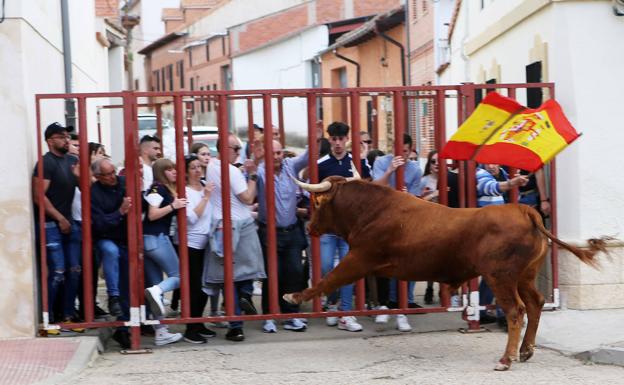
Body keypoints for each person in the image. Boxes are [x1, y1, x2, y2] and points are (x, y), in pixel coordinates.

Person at [203, 133, 266, 342]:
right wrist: (254, 175)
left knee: (228, 278)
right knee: (247, 271)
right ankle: (245, 296)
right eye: (235, 149)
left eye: (240, 149)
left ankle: (235, 324)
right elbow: (247, 197)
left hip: (220, 226)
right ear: (223, 149)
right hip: (241, 224)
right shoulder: (230, 170)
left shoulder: (211, 166)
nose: (239, 153)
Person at [317, 121, 371, 332]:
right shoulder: (321, 164)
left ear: (347, 140)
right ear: (329, 140)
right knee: (325, 266)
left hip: (350, 229)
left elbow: (368, 186)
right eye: (334, 139)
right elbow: (313, 192)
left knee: (348, 269)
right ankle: (333, 303)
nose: (338, 143)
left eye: (341, 139)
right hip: (330, 228)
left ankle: (345, 313)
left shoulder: (356, 161)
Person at [32, 122, 83, 333]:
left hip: (69, 222)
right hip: (50, 223)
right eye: (62, 136)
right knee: (58, 271)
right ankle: (49, 318)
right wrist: (60, 218)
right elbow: (38, 196)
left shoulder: (72, 161)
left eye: (67, 136)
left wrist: (79, 175)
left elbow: (86, 188)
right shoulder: (45, 163)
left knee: (74, 270)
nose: (67, 140)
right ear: (50, 140)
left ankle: (68, 315)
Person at [257, 140, 311, 333]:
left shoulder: (291, 166)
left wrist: (316, 137)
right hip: (269, 232)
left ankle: (291, 315)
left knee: (295, 273)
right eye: (273, 153)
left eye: (280, 152)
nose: (277, 156)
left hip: (291, 230)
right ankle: (269, 316)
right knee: (272, 275)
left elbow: (308, 156)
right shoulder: (262, 172)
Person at [371, 133, 422, 332]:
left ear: (411, 150)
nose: (404, 155)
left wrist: (406, 195)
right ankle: (383, 305)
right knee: (382, 262)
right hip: (382, 220)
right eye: (400, 151)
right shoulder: (381, 161)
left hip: (404, 222)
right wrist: (391, 170)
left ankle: (401, 309)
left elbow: (417, 199)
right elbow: (375, 187)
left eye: (407, 152)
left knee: (405, 264)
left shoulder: (415, 169)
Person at [170, 155, 218, 343]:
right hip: (190, 244)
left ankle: (198, 323)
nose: (198, 170)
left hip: (207, 242)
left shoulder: (205, 184)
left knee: (204, 287)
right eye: (193, 168)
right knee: (194, 287)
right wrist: (206, 197)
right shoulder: (185, 191)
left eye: (199, 166)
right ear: (185, 171)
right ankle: (191, 328)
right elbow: (191, 218)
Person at [476, 164, 528, 329]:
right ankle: (503, 314)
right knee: (502, 272)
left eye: (493, 162)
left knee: (493, 273)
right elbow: (489, 188)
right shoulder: (479, 173)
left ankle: (481, 311)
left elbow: (515, 198)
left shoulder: (506, 173)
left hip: (504, 230)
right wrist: (512, 183)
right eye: (487, 162)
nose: (490, 166)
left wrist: (514, 183)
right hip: (490, 232)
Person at [142, 158, 186, 346]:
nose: (174, 172)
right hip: (156, 238)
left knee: (154, 286)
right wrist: (173, 206)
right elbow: (152, 214)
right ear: (161, 172)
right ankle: (158, 290)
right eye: (169, 169)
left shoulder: (161, 188)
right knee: (179, 276)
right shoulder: (157, 188)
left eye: (174, 168)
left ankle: (160, 331)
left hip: (149, 240)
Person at [90, 158, 132, 348]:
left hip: (128, 239)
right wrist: (120, 212)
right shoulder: (94, 193)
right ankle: (113, 297)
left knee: (129, 284)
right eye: (107, 174)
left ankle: (125, 328)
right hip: (107, 237)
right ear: (97, 176)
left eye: (113, 172)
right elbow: (99, 224)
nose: (113, 177)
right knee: (110, 251)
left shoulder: (125, 183)